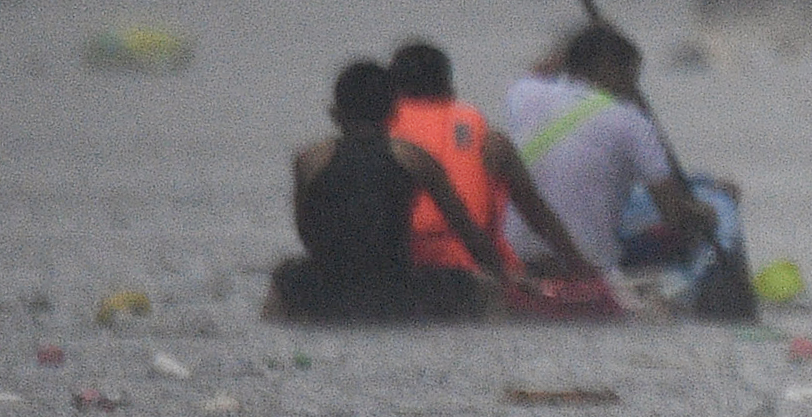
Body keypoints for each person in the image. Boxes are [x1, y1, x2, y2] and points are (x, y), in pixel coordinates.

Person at [268, 59, 496, 321]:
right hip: (397, 288)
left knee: (282, 281)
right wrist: (502, 274)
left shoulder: (309, 160)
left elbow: (307, 233)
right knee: (484, 288)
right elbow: (466, 230)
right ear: (394, 112)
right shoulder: (413, 158)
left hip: (330, 288)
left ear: (335, 112)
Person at [499, 22, 716, 275]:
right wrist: (705, 217)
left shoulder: (523, 93)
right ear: (609, 68)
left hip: (514, 258)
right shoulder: (632, 121)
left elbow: (544, 66)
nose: (633, 87)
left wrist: (586, 40)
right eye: (631, 75)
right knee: (706, 217)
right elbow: (673, 215)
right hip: (589, 266)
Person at [385, 38, 595, 286]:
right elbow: (537, 214)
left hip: (403, 271)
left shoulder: (378, 137)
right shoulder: (490, 142)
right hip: (480, 272)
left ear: (391, 91)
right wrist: (584, 270)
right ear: (448, 86)